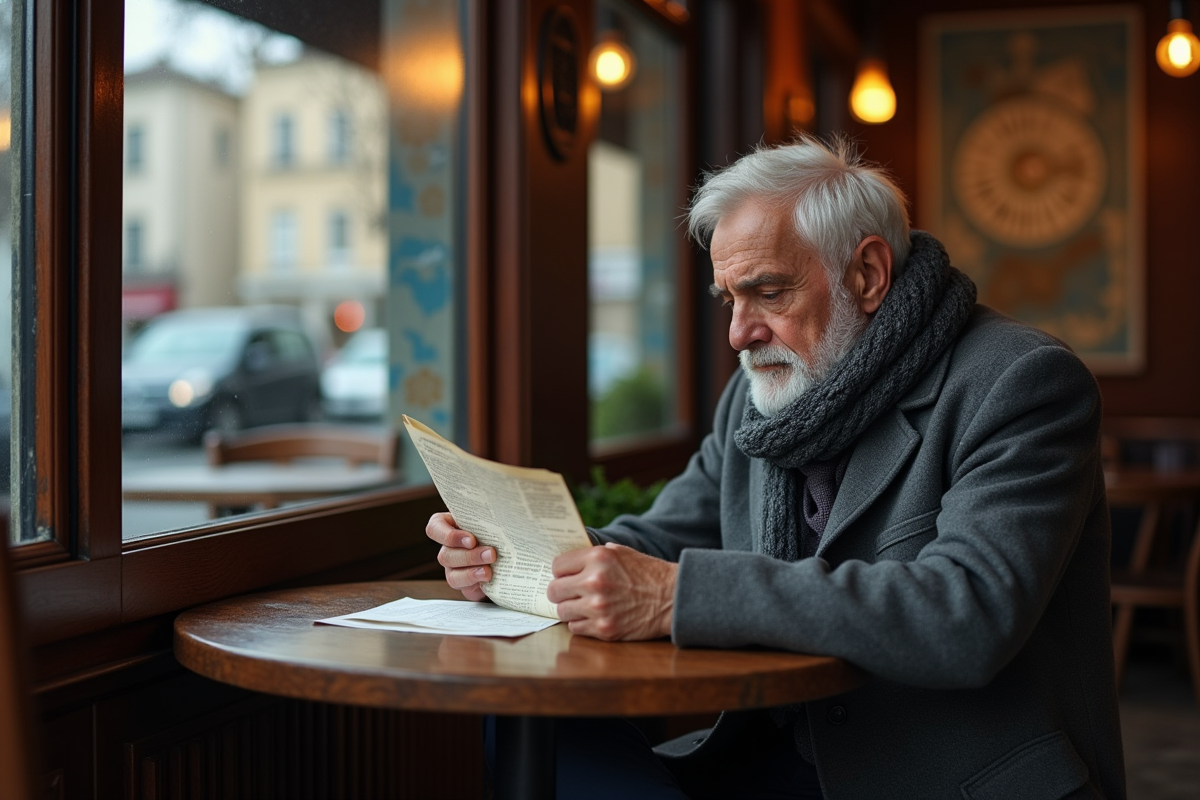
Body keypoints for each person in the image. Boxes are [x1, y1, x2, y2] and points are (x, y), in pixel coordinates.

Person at [426, 136, 1124, 799]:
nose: (739, 332)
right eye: (728, 299)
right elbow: (664, 537)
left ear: (868, 274)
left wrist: (674, 597)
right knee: (519, 729)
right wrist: (518, 557)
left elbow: (967, 614)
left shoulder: (1022, 382)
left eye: (768, 292)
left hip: (944, 776)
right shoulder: (759, 396)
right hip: (773, 762)